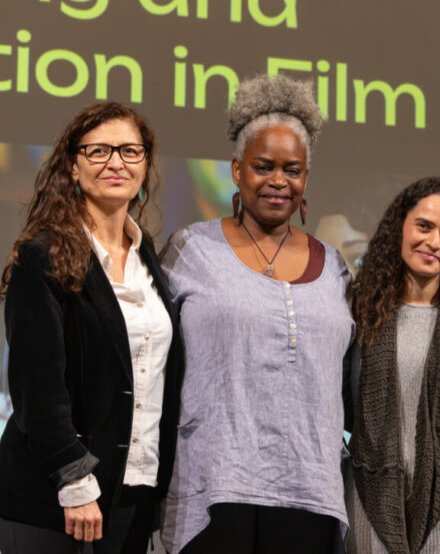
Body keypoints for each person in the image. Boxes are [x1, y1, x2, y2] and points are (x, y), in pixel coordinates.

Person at [160, 76, 354, 554]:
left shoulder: (334, 267)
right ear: (236, 169)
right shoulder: (191, 249)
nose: (278, 181)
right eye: (263, 166)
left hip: (310, 493)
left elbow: (358, 374)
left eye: (293, 170)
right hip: (213, 488)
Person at [0, 102, 184, 553]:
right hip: (56, 497)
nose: (116, 162)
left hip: (132, 492)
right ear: (73, 165)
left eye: (130, 151)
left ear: (145, 166)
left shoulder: (148, 259)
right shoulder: (41, 256)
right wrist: (74, 480)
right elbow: (36, 390)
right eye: (99, 151)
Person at [345, 177, 440, 554]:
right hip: (370, 492)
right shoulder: (357, 307)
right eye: (424, 226)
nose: (434, 242)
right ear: (401, 226)